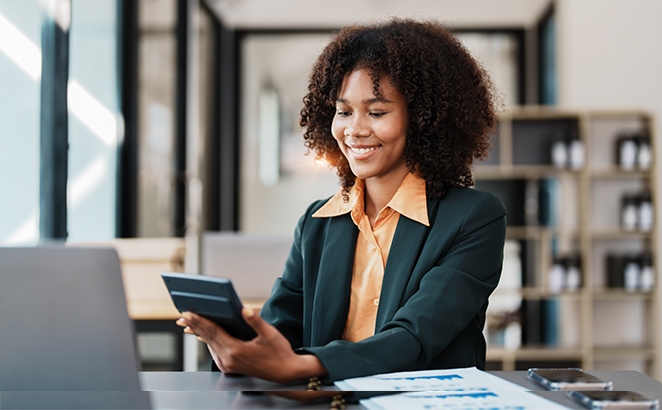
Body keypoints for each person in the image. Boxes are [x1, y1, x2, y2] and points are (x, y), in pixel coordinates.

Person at [177, 18, 506, 386]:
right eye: (344, 111)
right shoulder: (318, 221)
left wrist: (299, 366)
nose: (354, 130)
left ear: (424, 120)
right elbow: (282, 328)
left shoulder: (474, 217)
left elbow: (414, 337)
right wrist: (241, 349)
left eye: (377, 112)